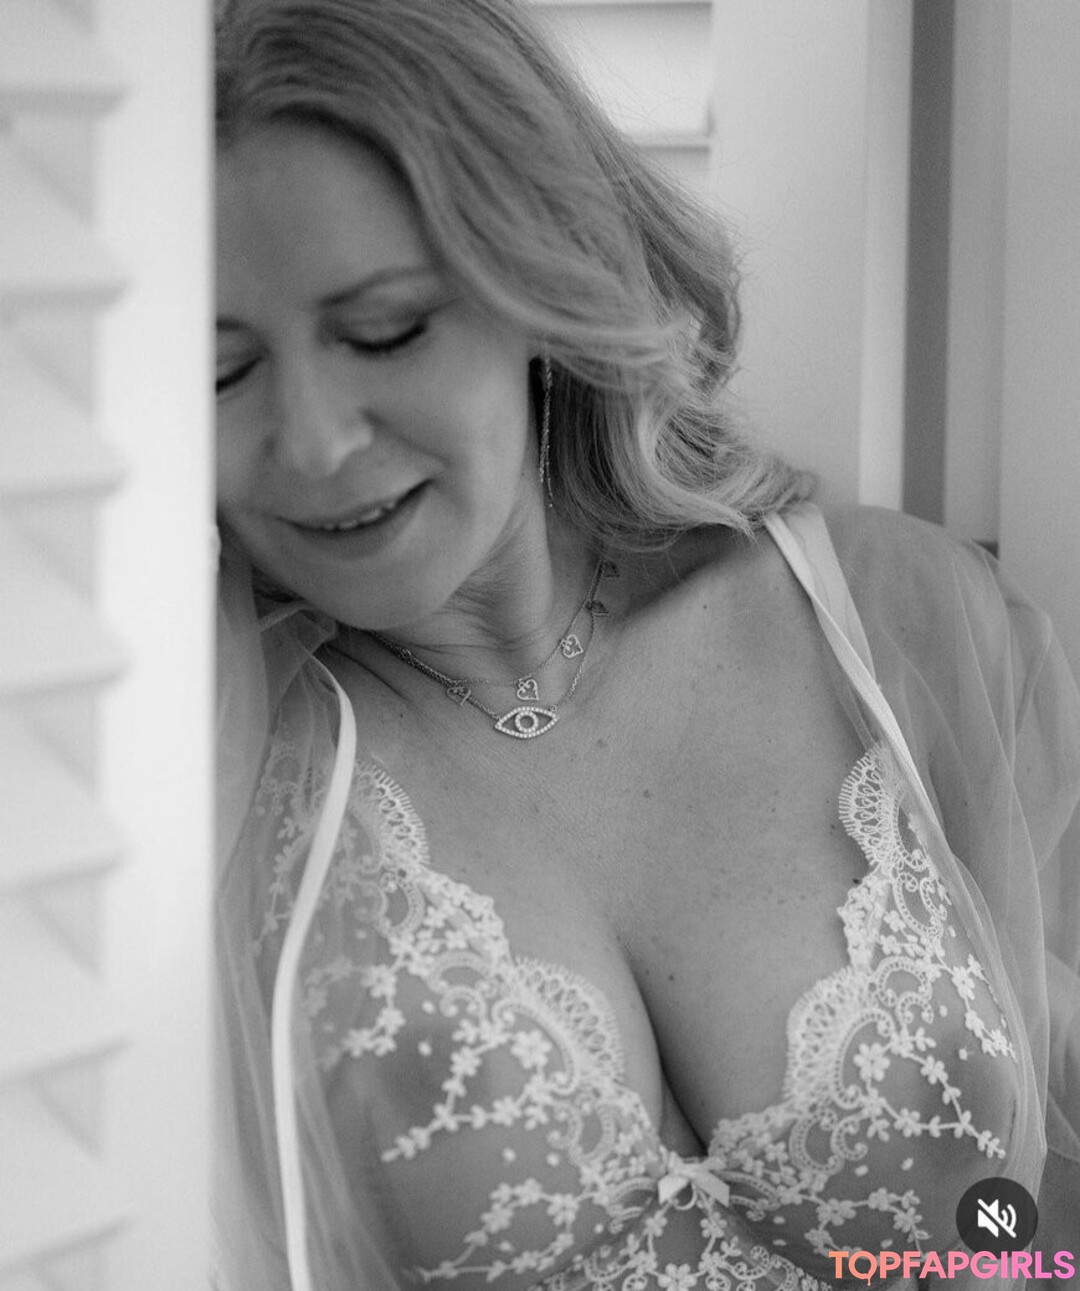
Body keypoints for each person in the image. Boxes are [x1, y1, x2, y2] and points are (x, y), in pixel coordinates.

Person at [212, 1, 1080, 1287]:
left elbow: (1052, 1197)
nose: (317, 440)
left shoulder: (904, 626)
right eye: (219, 373)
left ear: (541, 284)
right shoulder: (204, 782)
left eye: (385, 330)